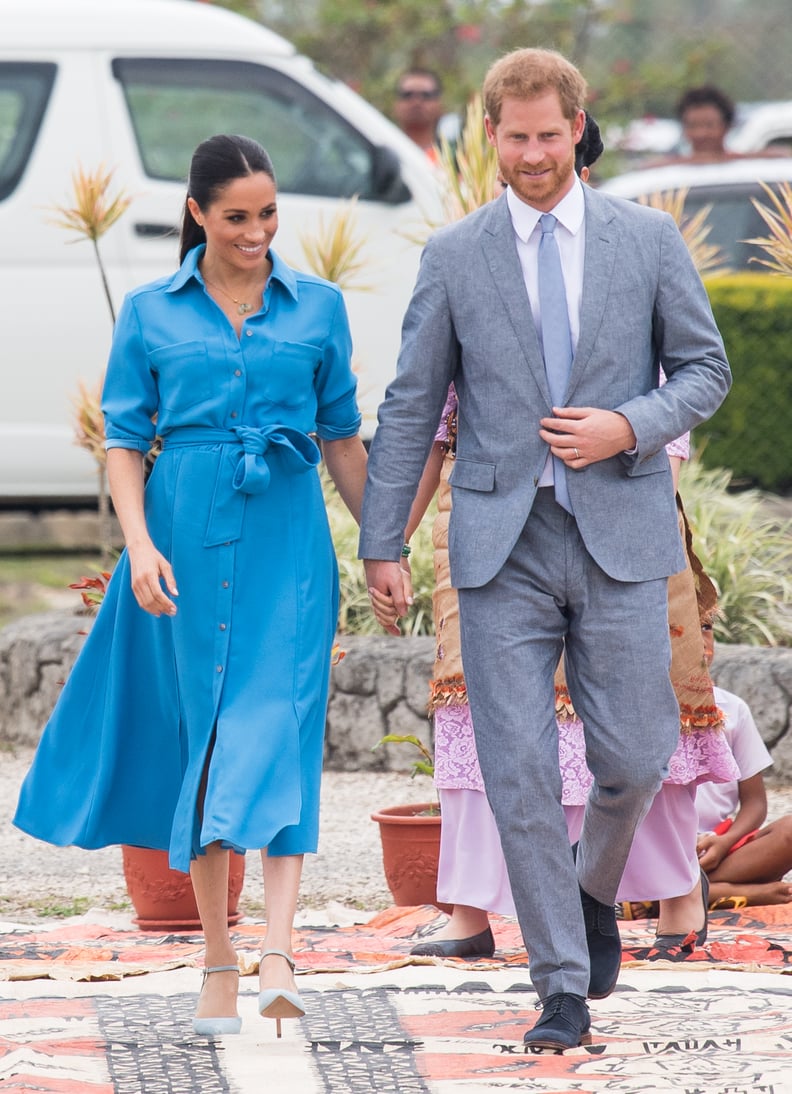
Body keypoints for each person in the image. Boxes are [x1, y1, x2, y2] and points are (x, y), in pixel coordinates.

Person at [359, 47, 731, 1052]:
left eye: (547, 135)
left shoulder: (646, 239)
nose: (532, 154)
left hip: (618, 529)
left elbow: (705, 369)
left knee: (636, 754)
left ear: (578, 126)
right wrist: (382, 537)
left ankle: (591, 889)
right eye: (513, 137)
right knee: (518, 769)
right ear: (491, 135)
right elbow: (409, 403)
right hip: (498, 543)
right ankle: (559, 982)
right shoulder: (454, 254)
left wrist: (628, 424)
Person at [14, 134, 368, 1039]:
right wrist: (137, 546)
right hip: (181, 537)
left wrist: (386, 544)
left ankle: (281, 954)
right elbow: (125, 441)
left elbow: (341, 439)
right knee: (204, 744)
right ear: (199, 215)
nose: (257, 232)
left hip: (290, 538)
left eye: (269, 214)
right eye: (239, 217)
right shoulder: (148, 312)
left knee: (280, 733)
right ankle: (218, 955)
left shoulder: (319, 307)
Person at [696, 623, 792, 908]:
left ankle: (671, 896)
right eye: (682, 627)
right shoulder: (638, 708)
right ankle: (739, 893)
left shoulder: (732, 708)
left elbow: (755, 804)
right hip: (653, 851)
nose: (701, 640)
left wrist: (725, 842)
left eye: (706, 626)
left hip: (717, 853)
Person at [393, 68, 448, 162]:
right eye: (408, 95)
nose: (416, 102)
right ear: (396, 105)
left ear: (439, 105)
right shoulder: (385, 153)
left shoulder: (450, 159)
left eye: (426, 95)